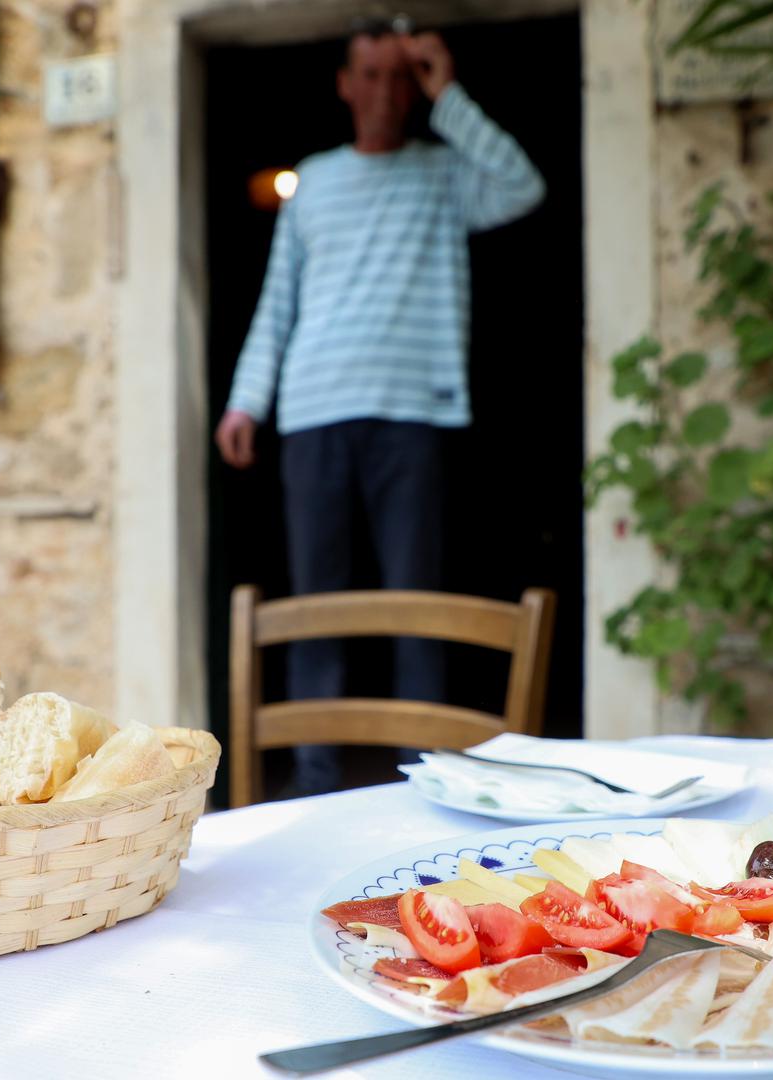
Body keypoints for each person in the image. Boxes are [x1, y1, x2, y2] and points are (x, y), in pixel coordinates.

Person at [215, 23, 545, 795]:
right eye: (371, 75)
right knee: (316, 605)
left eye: (402, 78)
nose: (385, 92)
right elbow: (277, 302)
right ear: (343, 83)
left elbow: (522, 184)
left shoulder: (442, 173)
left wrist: (448, 93)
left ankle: (419, 778)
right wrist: (244, 403)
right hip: (311, 410)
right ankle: (314, 777)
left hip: (413, 413)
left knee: (415, 602)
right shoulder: (315, 181)